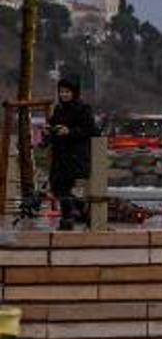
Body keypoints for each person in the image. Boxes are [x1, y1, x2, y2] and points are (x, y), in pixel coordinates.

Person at [48, 77, 96, 231]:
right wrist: (49, 130)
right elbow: (54, 125)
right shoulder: (58, 109)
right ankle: (81, 212)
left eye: (67, 92)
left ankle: (68, 218)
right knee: (56, 186)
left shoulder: (83, 108)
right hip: (60, 154)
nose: (64, 95)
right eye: (61, 91)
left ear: (74, 92)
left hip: (76, 154)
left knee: (64, 186)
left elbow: (92, 130)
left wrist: (69, 131)